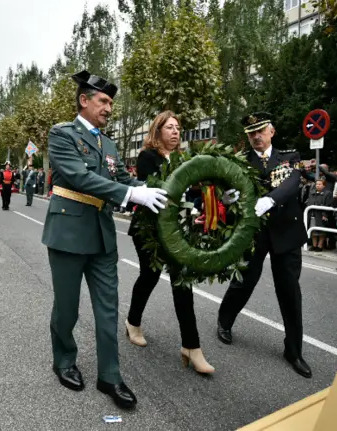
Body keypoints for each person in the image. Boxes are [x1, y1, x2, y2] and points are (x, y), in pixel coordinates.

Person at [41, 70, 168, 409]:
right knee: (67, 308)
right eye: (103, 101)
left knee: (108, 309)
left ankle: (110, 375)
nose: (109, 108)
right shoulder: (61, 134)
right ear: (84, 100)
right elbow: (78, 178)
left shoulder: (108, 143)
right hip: (68, 232)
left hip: (102, 235)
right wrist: (130, 193)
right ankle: (64, 360)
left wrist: (158, 189)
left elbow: (125, 178)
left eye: (111, 102)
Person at [125, 111, 238, 375]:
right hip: (149, 231)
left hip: (176, 232)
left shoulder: (183, 160)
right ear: (158, 131)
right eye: (170, 127)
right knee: (149, 276)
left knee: (182, 283)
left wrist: (213, 197)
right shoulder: (148, 157)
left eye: (178, 128)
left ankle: (191, 346)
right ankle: (133, 322)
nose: (176, 132)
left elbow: (192, 192)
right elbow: (161, 189)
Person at [216, 111, 313, 378]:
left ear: (272, 131)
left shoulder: (288, 157)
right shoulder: (240, 162)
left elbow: (292, 184)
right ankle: (224, 321)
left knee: (290, 291)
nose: (256, 137)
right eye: (251, 133)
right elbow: (226, 194)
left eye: (260, 131)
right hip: (254, 233)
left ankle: (293, 350)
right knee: (244, 281)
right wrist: (228, 197)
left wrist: (269, 200)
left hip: (286, 231)